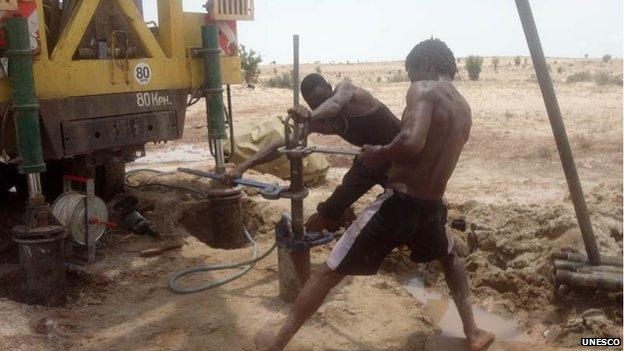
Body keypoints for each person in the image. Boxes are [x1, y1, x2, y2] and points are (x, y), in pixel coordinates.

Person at [254, 39, 495, 351]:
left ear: (424, 65)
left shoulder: (422, 89)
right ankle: (474, 332)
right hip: (432, 206)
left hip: (399, 204)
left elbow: (410, 142)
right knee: (449, 258)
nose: (411, 80)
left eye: (411, 73)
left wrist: (379, 153)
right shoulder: (464, 108)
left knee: (328, 272)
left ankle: (276, 345)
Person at [221, 73, 401, 231]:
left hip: (402, 157)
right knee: (330, 209)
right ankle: (334, 225)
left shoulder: (347, 91)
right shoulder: (320, 119)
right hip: (369, 161)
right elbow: (284, 143)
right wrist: (242, 167)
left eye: (321, 100)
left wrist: (309, 116)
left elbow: (335, 105)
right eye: (314, 104)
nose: (319, 106)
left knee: (402, 207)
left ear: (330, 88)